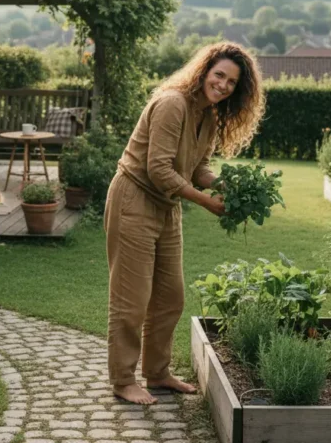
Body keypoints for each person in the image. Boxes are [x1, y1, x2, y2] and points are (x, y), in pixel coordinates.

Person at [105, 41, 265, 405]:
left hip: (166, 206)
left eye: (231, 82)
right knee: (132, 300)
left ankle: (157, 372)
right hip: (134, 198)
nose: (223, 85)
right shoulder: (173, 103)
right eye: (219, 75)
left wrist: (231, 187)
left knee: (170, 296)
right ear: (204, 71)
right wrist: (207, 202)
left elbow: (197, 169)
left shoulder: (208, 116)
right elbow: (158, 169)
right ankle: (123, 379)